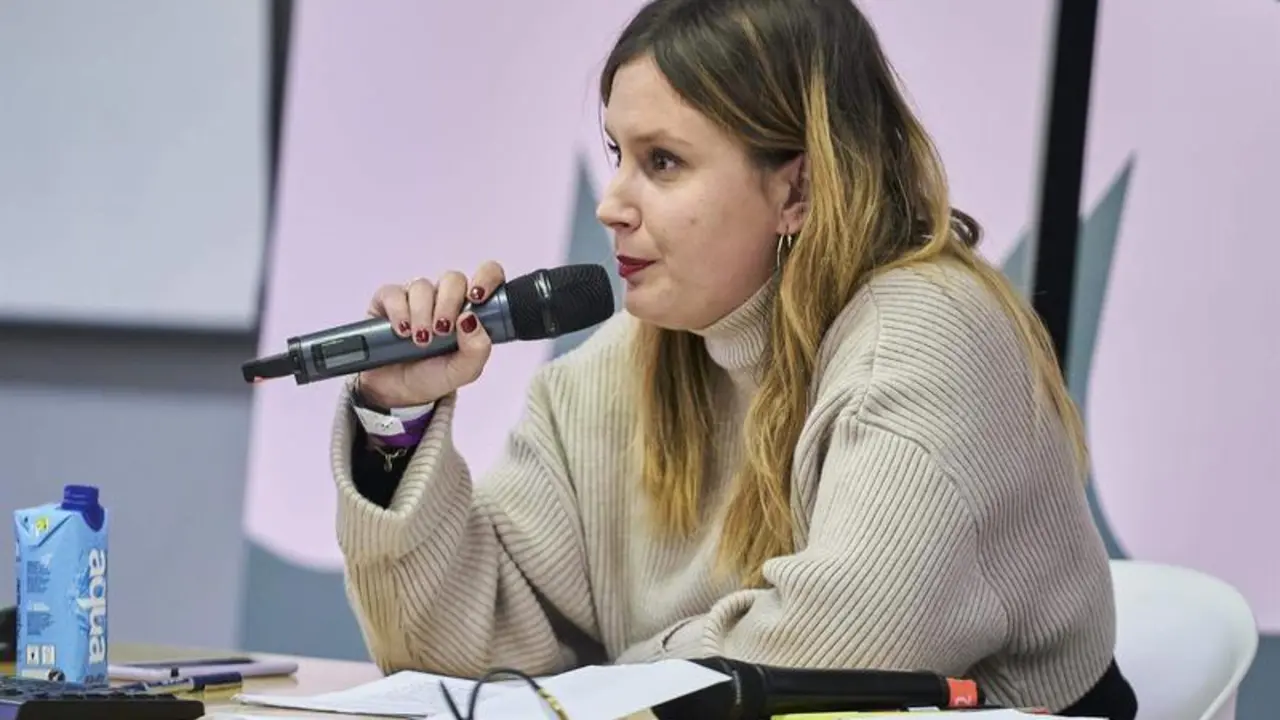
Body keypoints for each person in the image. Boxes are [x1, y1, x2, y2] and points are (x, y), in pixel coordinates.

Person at [329, 0, 1137, 716]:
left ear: (799, 192)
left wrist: (607, 684)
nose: (612, 205)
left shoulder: (929, 337)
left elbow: (847, 647)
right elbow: (467, 651)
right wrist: (393, 420)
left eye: (663, 162)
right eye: (617, 155)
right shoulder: (626, 361)